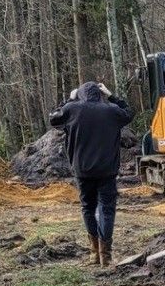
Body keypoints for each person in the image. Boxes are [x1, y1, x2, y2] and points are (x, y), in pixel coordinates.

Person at [49, 81, 134, 268]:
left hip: (82, 169)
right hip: (107, 170)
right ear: (99, 93)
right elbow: (129, 113)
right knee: (107, 209)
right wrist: (111, 95)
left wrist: (68, 99)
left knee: (88, 208)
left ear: (80, 94)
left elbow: (53, 118)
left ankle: (94, 253)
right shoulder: (111, 110)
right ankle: (106, 255)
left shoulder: (72, 109)